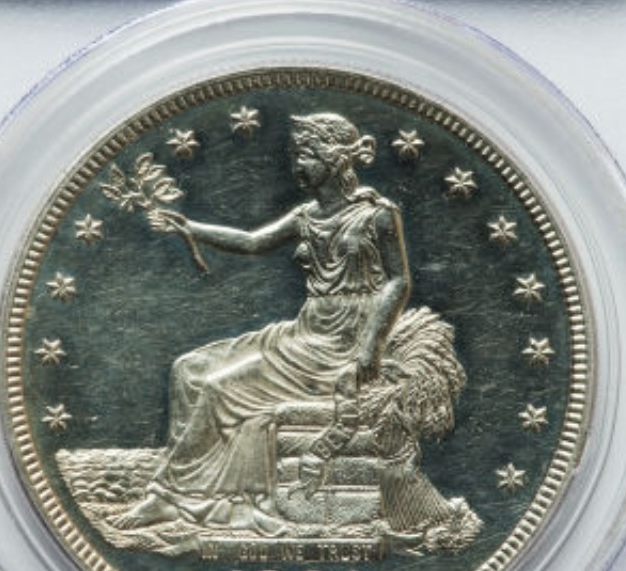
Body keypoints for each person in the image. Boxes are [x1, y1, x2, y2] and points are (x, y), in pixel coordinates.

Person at [116, 113, 411, 534]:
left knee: (218, 388)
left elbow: (399, 280)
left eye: (306, 155)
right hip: (304, 332)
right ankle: (201, 496)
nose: (297, 165)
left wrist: (370, 347)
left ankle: (168, 497)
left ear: (334, 158)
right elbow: (253, 242)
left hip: (338, 343)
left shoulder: (377, 214)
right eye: (296, 155)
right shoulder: (306, 215)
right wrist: (191, 228)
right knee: (188, 370)